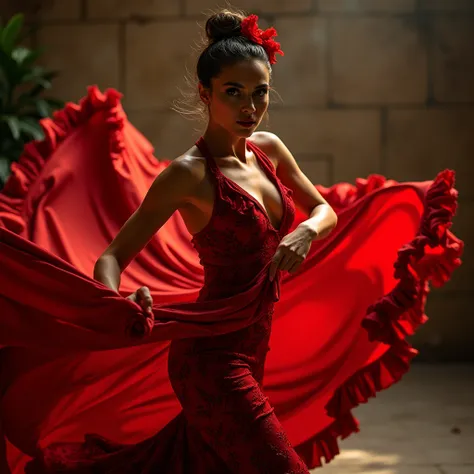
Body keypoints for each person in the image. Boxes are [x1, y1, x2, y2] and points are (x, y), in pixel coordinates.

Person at [0, 8, 462, 474]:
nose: (249, 108)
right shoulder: (188, 174)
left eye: (259, 94)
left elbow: (325, 210)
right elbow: (113, 257)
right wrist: (118, 300)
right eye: (233, 93)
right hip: (210, 362)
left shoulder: (270, 149)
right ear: (206, 93)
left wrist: (305, 229)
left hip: (254, 346)